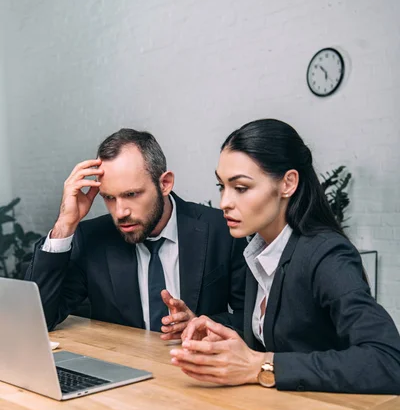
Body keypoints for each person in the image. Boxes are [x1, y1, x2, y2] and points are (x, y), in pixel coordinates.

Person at [170, 119, 400, 394]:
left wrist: (260, 366)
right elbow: (284, 329)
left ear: (288, 183)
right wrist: (209, 323)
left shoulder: (326, 254)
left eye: (240, 188)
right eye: (222, 186)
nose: (224, 202)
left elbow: (389, 360)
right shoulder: (261, 249)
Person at [26, 129, 247, 338]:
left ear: (165, 184)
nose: (120, 212)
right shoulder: (93, 237)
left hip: (198, 367)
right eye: (109, 198)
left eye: (131, 194)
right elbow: (38, 320)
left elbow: (251, 321)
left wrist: (200, 324)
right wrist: (65, 223)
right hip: (123, 369)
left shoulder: (221, 229)